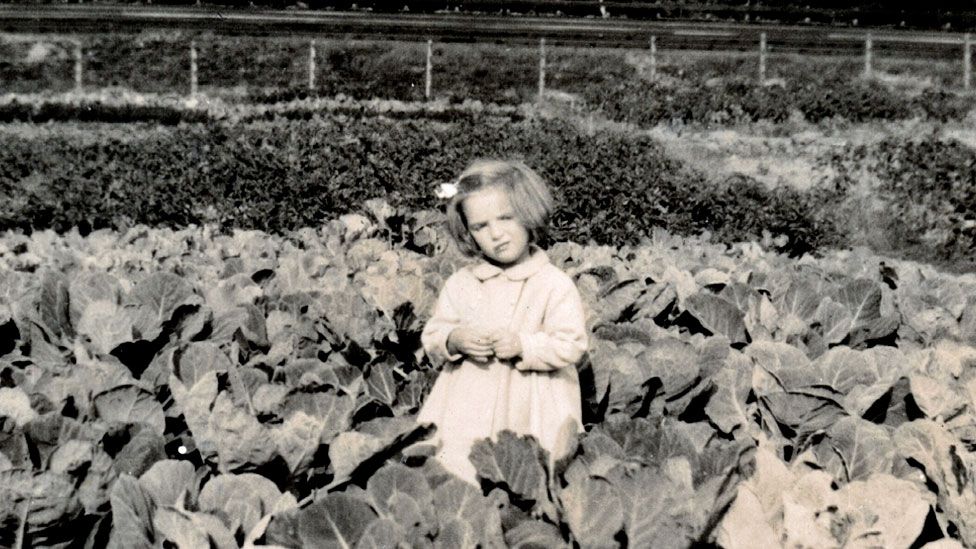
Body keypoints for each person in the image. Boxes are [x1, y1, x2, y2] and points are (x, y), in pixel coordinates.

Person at [418, 159, 588, 486]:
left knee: (531, 472)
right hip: (470, 397)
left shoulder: (553, 283)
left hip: (536, 399)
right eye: (480, 227)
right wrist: (454, 339)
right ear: (467, 233)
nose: (496, 234)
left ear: (528, 214)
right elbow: (434, 334)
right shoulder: (462, 283)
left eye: (506, 218)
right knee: (458, 466)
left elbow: (572, 344)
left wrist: (525, 345)